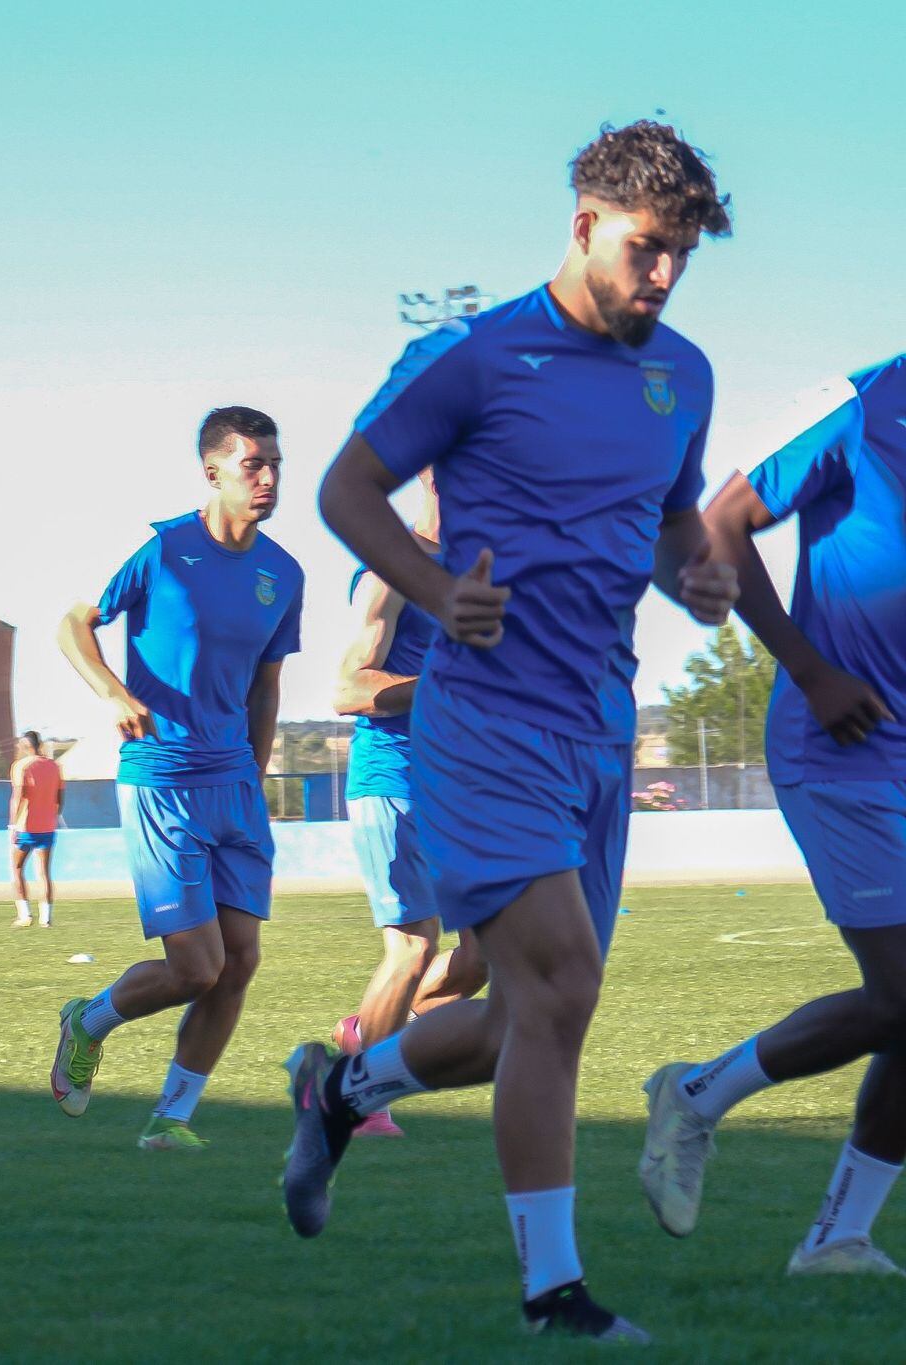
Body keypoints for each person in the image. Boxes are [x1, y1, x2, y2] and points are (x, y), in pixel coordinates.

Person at [284, 121, 737, 1341]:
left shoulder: (679, 373)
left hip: (598, 724)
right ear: (582, 223)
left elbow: (666, 519)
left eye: (681, 256)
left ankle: (339, 1090)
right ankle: (552, 1295)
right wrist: (433, 597)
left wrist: (691, 573)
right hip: (482, 724)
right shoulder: (476, 358)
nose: (661, 278)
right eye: (645, 249)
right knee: (562, 981)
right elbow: (343, 488)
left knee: (521, 1017)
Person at [639, 355, 906, 1277]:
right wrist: (812, 670)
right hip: (846, 742)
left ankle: (838, 1237)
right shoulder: (860, 402)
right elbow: (720, 523)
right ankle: (697, 1095)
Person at [51, 406, 302, 1152]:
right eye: (253, 463)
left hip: (234, 783)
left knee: (241, 960)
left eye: (275, 463)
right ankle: (86, 1021)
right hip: (162, 777)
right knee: (196, 965)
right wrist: (113, 693)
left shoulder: (282, 572)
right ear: (213, 471)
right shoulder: (164, 552)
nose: (267, 477)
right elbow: (74, 622)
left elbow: (267, 686)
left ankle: (171, 1119)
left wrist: (254, 774)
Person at [330, 467, 487, 1138]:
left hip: (459, 785)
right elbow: (347, 688)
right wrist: (443, 684)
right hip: (392, 778)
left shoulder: (482, 575)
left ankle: (365, 1032)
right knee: (412, 949)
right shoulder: (393, 565)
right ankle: (354, 1100)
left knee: (482, 960)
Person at [10, 731, 65, 927]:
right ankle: (46, 918)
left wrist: (13, 824)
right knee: (43, 872)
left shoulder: (22, 766)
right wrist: (52, 816)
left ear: (24, 746)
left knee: (17, 869)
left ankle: (25, 915)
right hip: (48, 827)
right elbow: (60, 799)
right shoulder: (54, 766)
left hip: (26, 826)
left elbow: (18, 796)